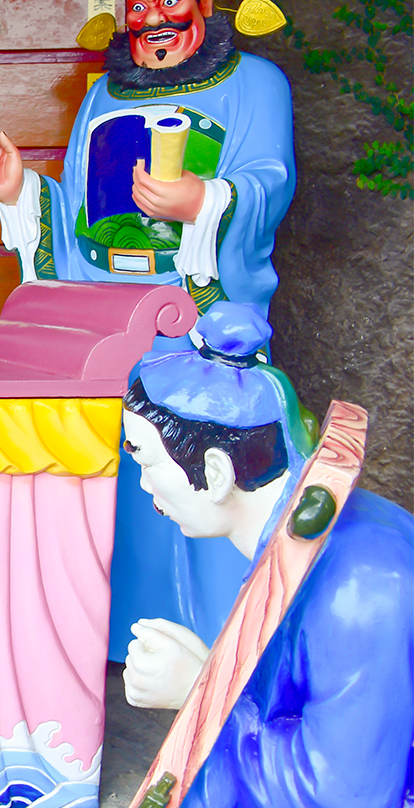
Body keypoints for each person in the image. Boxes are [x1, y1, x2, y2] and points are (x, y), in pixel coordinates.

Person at [0, 0, 297, 659]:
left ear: (206, 1)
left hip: (196, 310)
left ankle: (219, 637)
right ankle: (112, 639)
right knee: (118, 481)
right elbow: (79, 210)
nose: (153, 20)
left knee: (203, 472)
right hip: (111, 318)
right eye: (140, 2)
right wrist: (19, 187)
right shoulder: (102, 96)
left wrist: (200, 202)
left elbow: (269, 185)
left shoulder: (256, 86)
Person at [117, 301, 414, 805]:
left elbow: (342, 792)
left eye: (144, 460)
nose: (145, 488)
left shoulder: (360, 587)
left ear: (215, 473)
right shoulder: (298, 544)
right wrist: (213, 671)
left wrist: (200, 693)